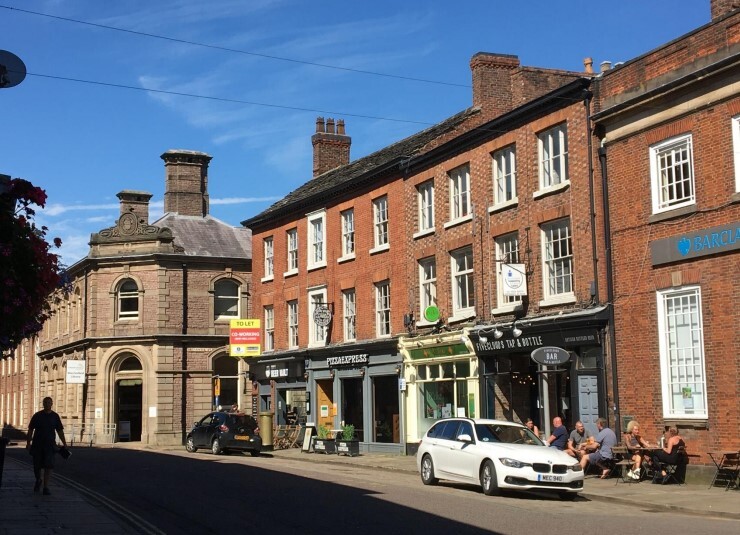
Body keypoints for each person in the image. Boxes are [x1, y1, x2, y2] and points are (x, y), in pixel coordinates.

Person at [26, 397, 67, 495]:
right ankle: (38, 479)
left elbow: (60, 430)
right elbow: (30, 430)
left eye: (49, 402)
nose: (47, 404)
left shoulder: (55, 416)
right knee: (37, 466)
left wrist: (64, 443)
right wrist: (28, 443)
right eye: (45, 402)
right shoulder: (37, 416)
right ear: (43, 404)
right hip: (37, 445)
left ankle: (46, 487)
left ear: (52, 404)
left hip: (50, 445)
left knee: (49, 466)